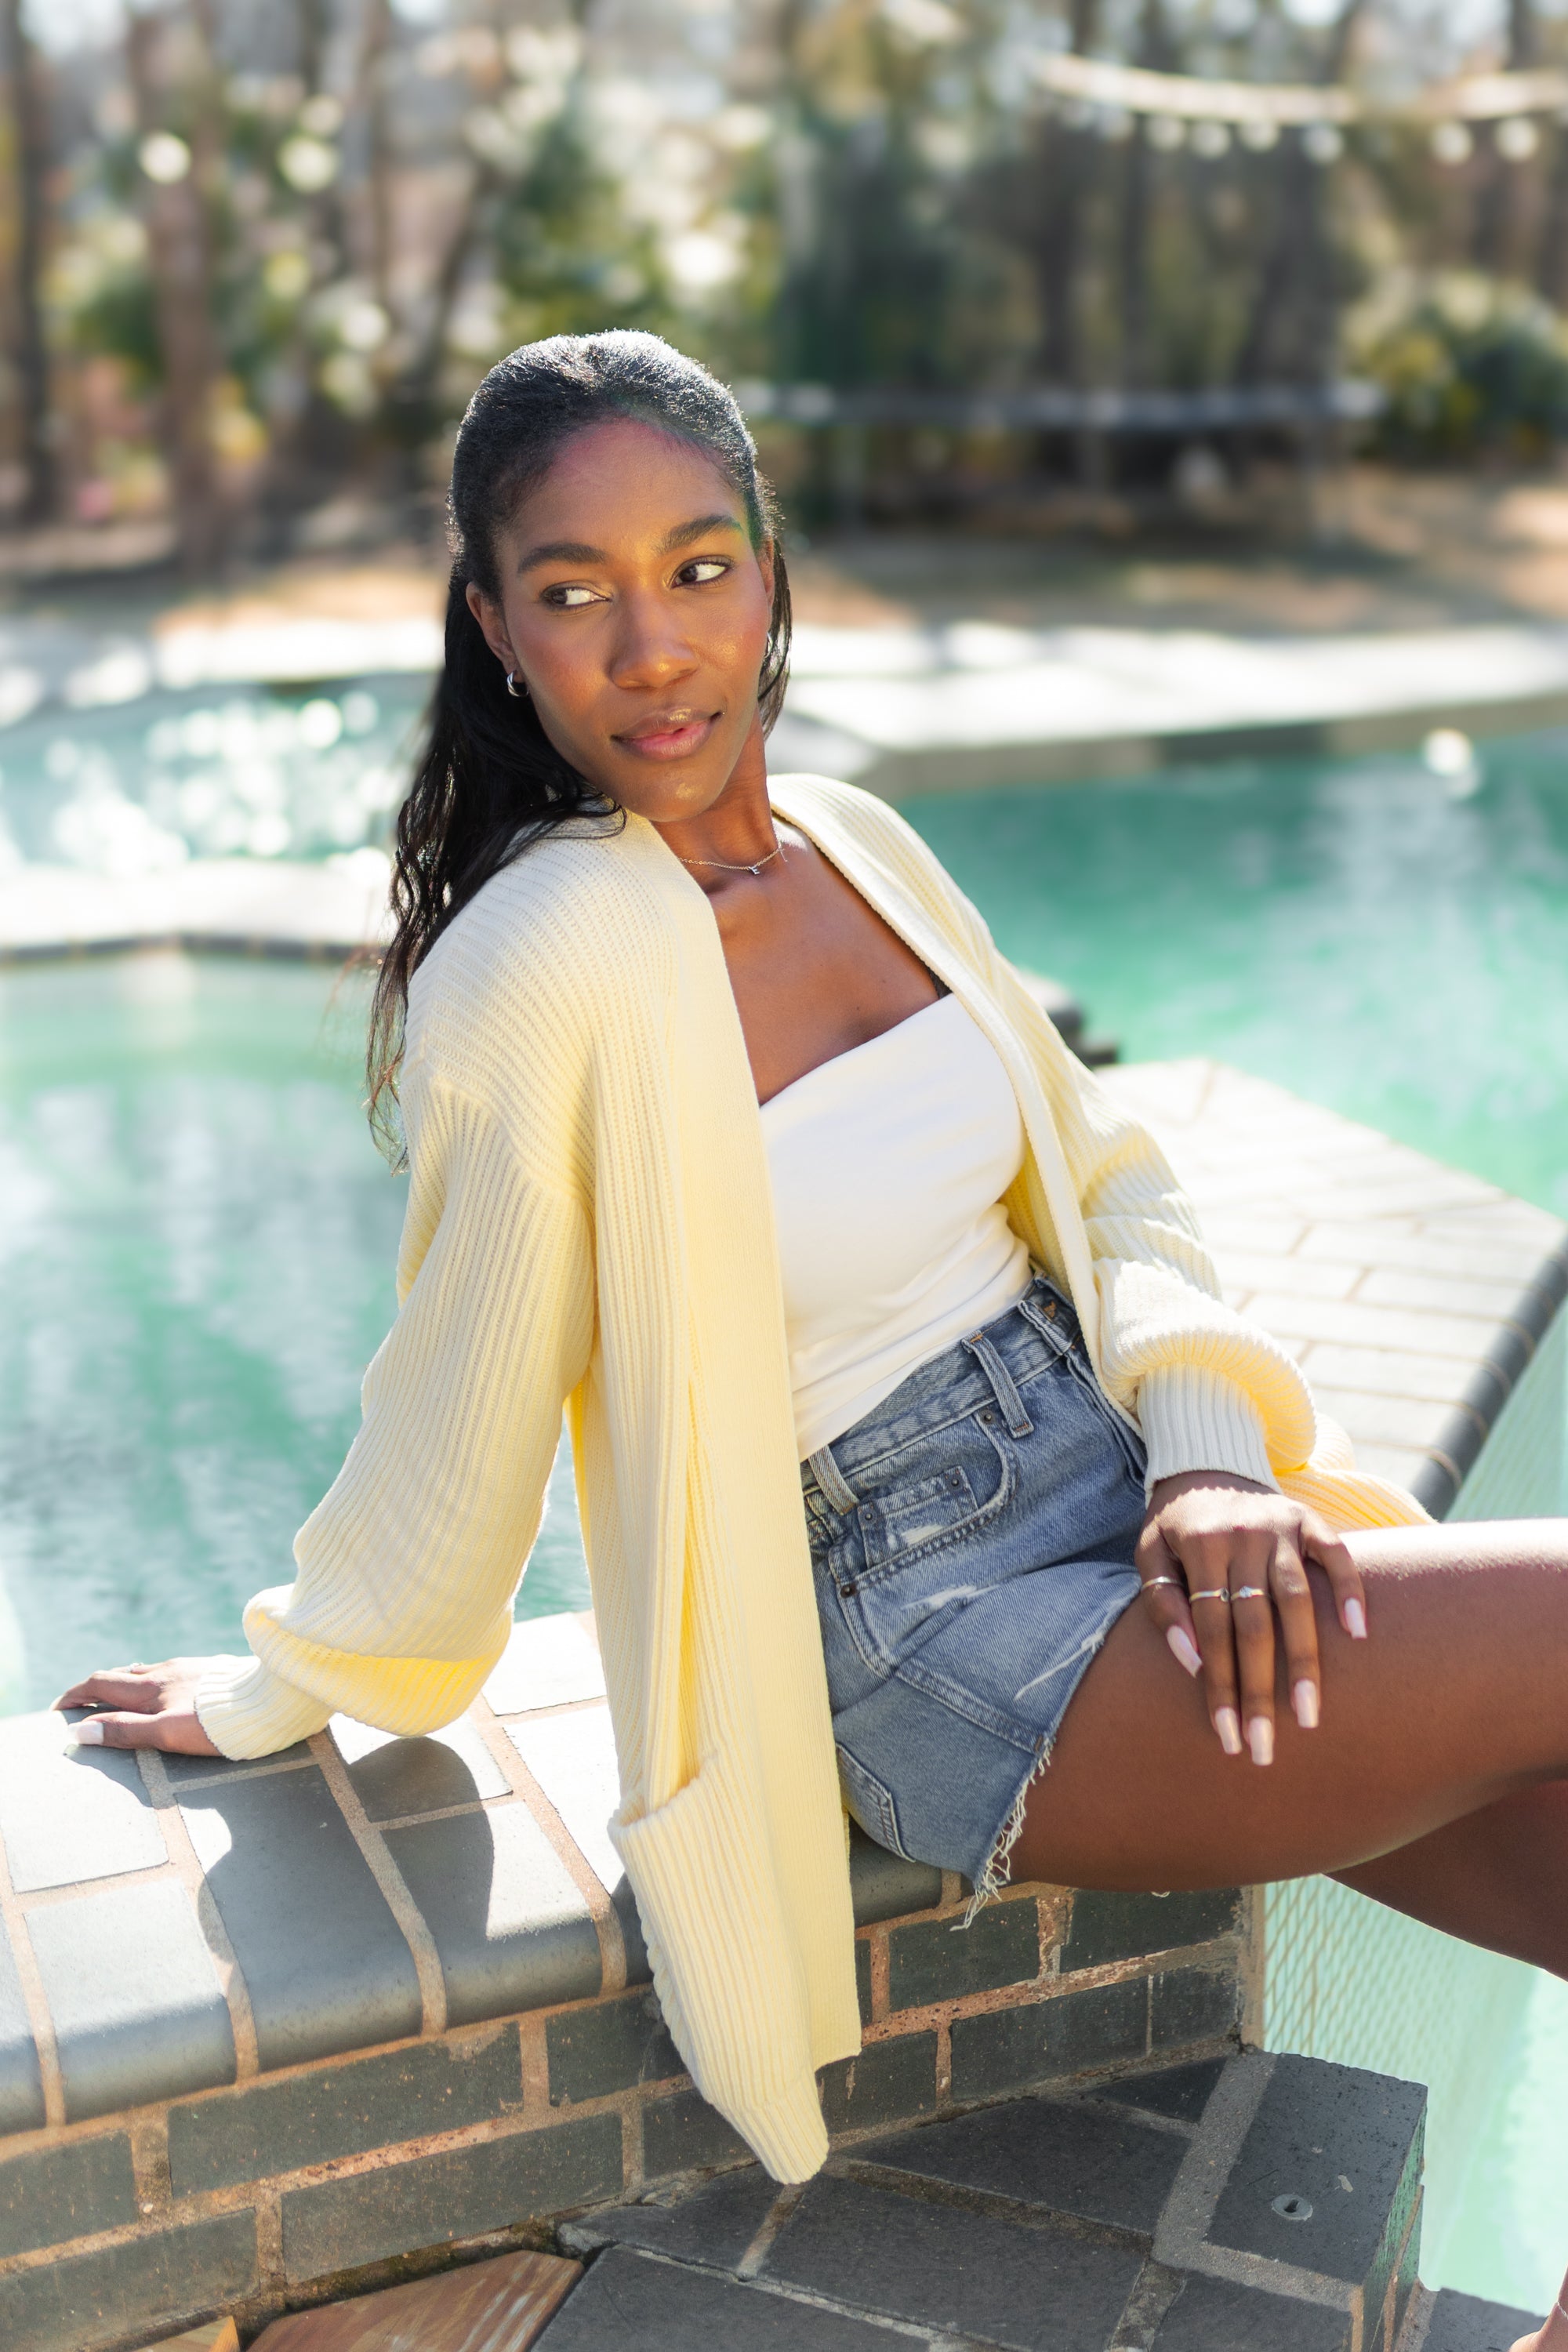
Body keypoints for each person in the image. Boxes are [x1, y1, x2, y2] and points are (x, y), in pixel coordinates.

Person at [58, 337, 1568, 2251]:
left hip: (1136, 1508)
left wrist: (1204, 1456)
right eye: (573, 592)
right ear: (494, 627)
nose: (653, 648)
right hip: (941, 1629)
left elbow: (1110, 1174)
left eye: (698, 568)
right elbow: (457, 1397)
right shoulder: (536, 964)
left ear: (768, 574)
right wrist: (290, 1678)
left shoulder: (862, 844)